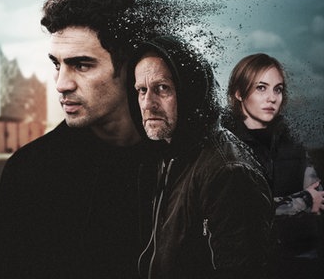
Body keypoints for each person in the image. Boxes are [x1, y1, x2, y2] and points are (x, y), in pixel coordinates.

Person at [0, 0, 146, 278]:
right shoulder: (30, 172)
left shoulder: (184, 160)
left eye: (82, 65)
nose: (62, 83)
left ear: (132, 66)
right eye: (57, 64)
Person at [132, 36, 273, 279]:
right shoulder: (170, 156)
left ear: (190, 92)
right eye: (141, 90)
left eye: (162, 88)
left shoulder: (228, 172)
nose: (147, 103)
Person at [222, 53, 324, 279]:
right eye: (261, 88)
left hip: (301, 261)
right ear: (239, 93)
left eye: (277, 89)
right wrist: (303, 200)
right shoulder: (223, 148)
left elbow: (318, 197)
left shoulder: (293, 143)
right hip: (247, 267)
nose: (272, 98)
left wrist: (292, 204)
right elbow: (242, 212)